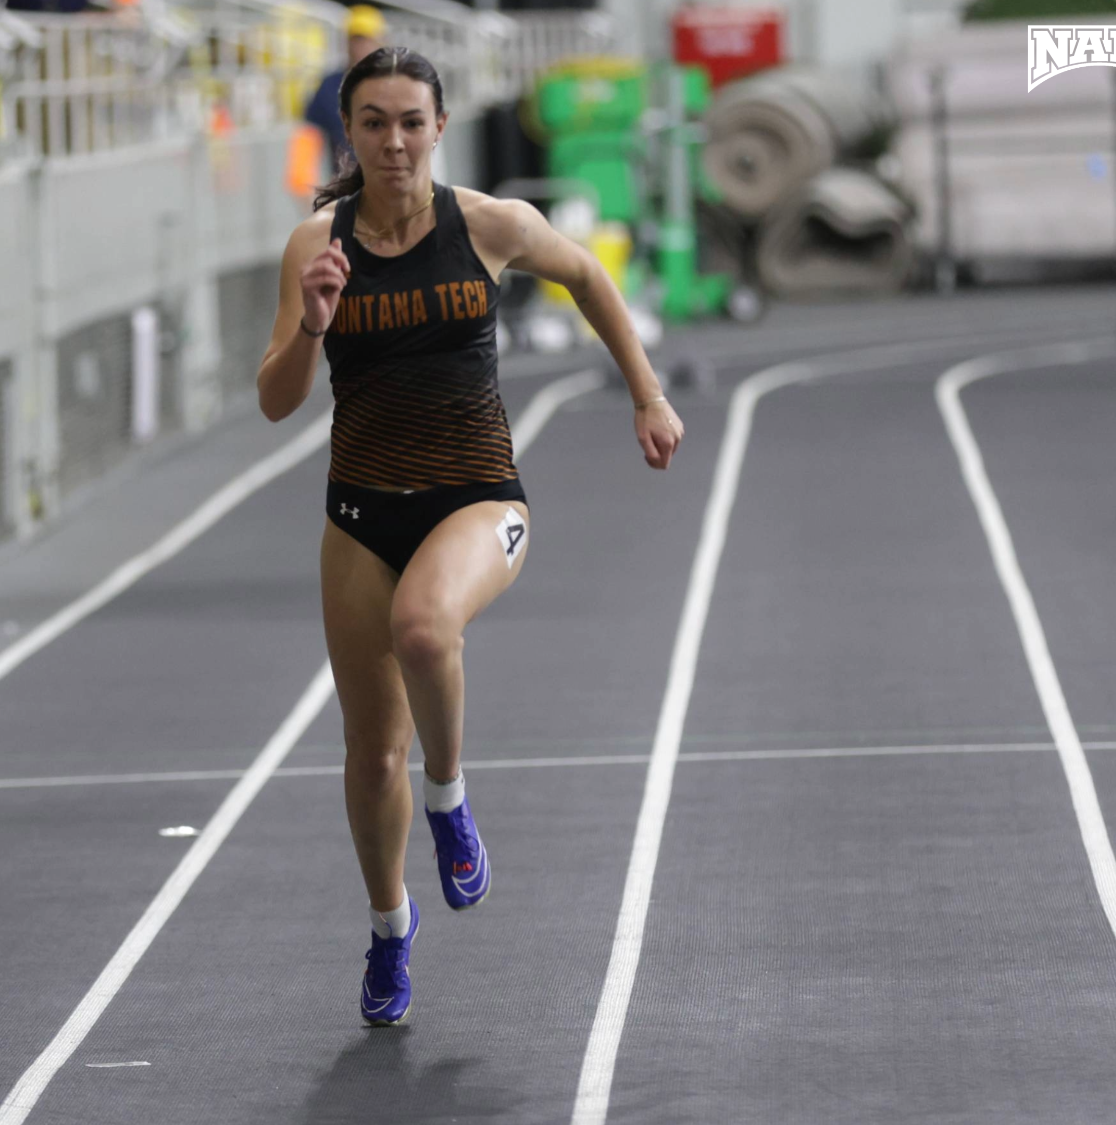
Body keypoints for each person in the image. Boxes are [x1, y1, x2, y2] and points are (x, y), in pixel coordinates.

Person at [256, 46, 683, 1027]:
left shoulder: (485, 225)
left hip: (476, 499)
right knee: (368, 758)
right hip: (358, 514)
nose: (394, 140)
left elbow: (587, 278)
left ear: (439, 127)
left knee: (423, 630)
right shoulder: (313, 247)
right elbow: (275, 400)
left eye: (411, 121)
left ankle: (448, 803)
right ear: (350, 134)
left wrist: (646, 398)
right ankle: (387, 929)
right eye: (373, 122)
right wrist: (314, 320)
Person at [304, 5, 386, 175]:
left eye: (366, 39)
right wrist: (303, 183)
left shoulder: (398, 84)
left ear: (380, 41)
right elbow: (308, 136)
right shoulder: (329, 86)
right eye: (354, 39)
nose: (359, 46)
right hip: (347, 185)